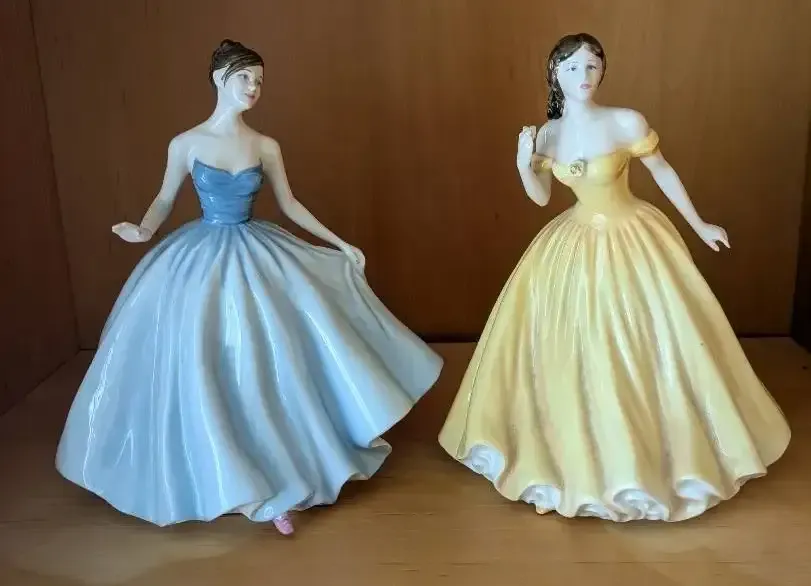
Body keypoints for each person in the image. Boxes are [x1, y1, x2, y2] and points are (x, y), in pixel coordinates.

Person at [55, 39, 443, 536]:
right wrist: (144, 230)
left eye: (260, 80)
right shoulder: (187, 143)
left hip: (255, 250)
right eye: (245, 77)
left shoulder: (265, 146)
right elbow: (164, 198)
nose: (254, 87)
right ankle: (224, 477)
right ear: (220, 78)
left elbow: (290, 204)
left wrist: (340, 243)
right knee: (203, 357)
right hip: (200, 258)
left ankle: (277, 477)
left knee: (269, 358)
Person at [438, 33, 790, 522]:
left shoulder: (626, 122)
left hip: (632, 235)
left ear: (603, 71)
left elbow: (663, 172)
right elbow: (541, 198)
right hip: (574, 242)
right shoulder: (546, 135)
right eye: (573, 68)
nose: (584, 76)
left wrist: (699, 224)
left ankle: (656, 453)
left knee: (648, 335)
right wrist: (523, 165)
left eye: (592, 66)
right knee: (570, 341)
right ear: (555, 74)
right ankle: (578, 456)